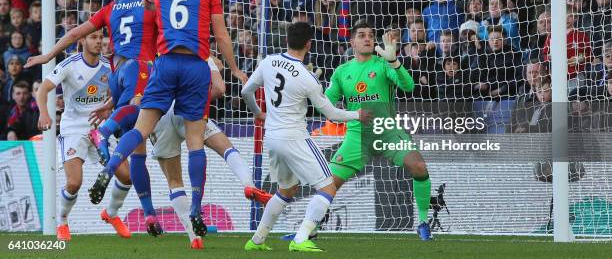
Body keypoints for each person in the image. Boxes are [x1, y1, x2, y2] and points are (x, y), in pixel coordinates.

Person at [89, 0, 246, 239]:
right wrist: (235, 68)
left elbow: (147, 3)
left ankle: (110, 167)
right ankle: (196, 209)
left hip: (161, 64)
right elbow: (222, 35)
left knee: (141, 129)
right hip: (195, 66)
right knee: (196, 140)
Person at [25, 0, 164, 235]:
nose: (97, 40)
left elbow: (76, 32)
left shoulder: (111, 8)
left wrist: (47, 55)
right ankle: (106, 131)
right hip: (138, 68)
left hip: (116, 73)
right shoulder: (152, 5)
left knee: (135, 151)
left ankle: (131, 214)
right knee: (138, 111)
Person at [241, 21, 369, 252]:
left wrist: (258, 113)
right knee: (328, 187)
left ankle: (257, 239)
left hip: (271, 137)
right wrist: (357, 114)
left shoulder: (268, 61)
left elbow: (245, 91)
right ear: (309, 45)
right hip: (295, 137)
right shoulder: (307, 77)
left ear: (287, 40)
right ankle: (300, 238)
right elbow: (331, 113)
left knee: (286, 190)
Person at [324, 21, 433, 240]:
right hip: (357, 135)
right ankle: (312, 226)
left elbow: (408, 86)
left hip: (388, 131)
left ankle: (422, 223)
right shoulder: (342, 71)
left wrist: (394, 61)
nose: (367, 39)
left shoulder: (383, 64)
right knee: (328, 183)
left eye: (370, 35)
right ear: (352, 41)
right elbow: (326, 103)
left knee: (419, 166)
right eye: (362, 35)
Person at [149, 55, 272, 249]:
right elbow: (220, 88)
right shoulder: (201, 55)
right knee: (226, 148)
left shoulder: (161, 53)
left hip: (160, 114)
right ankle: (248, 184)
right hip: (188, 109)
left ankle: (194, 238)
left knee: (174, 180)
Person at [35, 30, 132, 241]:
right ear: (82, 41)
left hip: (100, 130)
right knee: (74, 183)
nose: (99, 42)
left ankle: (112, 213)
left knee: (127, 176)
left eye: (101, 38)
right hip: (73, 130)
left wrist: (109, 106)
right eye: (93, 38)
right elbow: (43, 90)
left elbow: (124, 91)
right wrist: (44, 112)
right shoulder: (70, 64)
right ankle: (62, 222)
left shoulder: (109, 66)